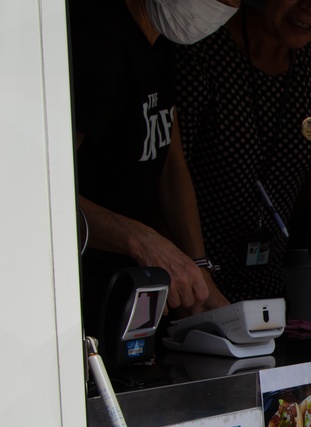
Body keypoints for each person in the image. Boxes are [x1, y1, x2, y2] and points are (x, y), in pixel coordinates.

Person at [169, 0, 311, 311]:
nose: (310, 6)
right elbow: (169, 172)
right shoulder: (199, 50)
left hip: (267, 292)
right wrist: (197, 275)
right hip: (186, 285)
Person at [70, 0, 240, 337]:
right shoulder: (97, 47)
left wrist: (197, 266)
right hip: (78, 285)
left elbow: (171, 167)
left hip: (130, 285)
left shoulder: (160, 43)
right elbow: (42, 191)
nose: (222, 7)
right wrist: (142, 239)